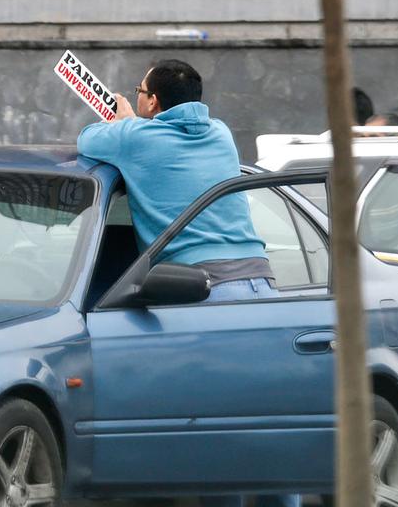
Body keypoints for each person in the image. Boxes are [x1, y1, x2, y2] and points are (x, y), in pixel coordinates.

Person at [77, 59, 300, 507]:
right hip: (261, 288)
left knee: (221, 437)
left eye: (139, 90)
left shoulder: (136, 137)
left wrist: (125, 120)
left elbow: (86, 139)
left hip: (207, 294)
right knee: (271, 428)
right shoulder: (220, 134)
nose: (136, 95)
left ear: (152, 101)